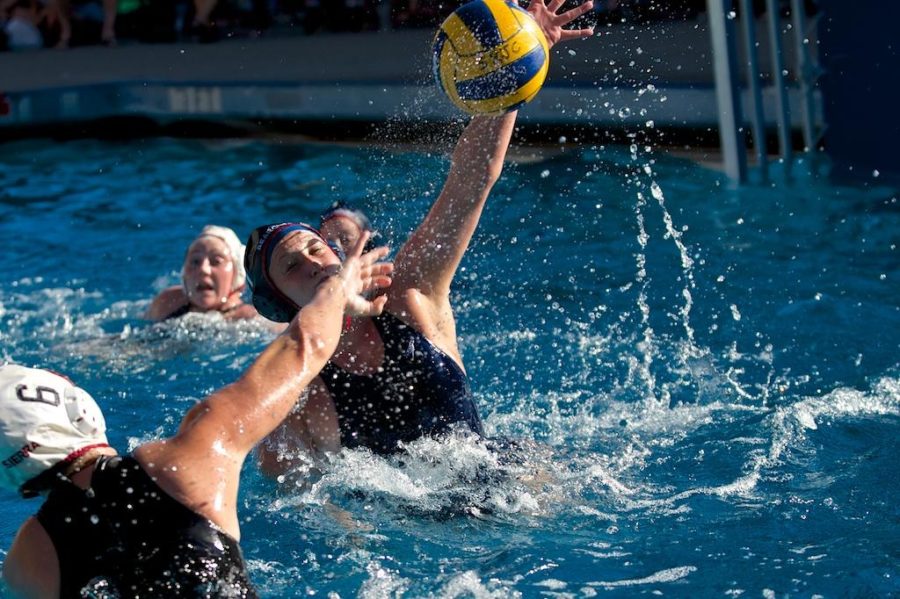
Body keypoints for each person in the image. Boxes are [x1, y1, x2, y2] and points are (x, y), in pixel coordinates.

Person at [253, 0, 595, 467]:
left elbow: (471, 179)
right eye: (293, 267)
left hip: (510, 488)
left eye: (316, 250)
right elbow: (309, 503)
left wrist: (510, 78)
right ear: (281, 303)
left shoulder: (411, 291)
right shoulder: (300, 396)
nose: (314, 264)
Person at [0, 231, 392, 598]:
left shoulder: (24, 561)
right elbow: (302, 348)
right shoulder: (188, 456)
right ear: (80, 409)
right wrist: (335, 290)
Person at [145, 224, 258, 322]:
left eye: (216, 261)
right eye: (195, 261)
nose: (203, 269)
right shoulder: (167, 303)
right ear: (184, 274)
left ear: (237, 274)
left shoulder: (250, 318)